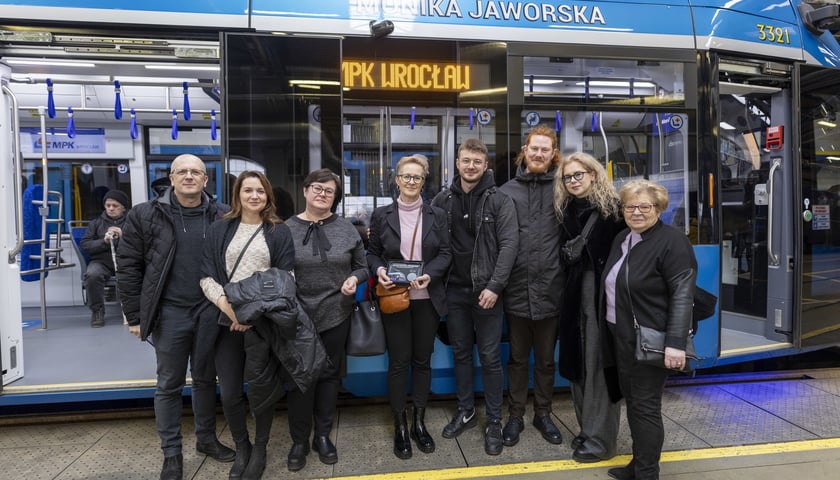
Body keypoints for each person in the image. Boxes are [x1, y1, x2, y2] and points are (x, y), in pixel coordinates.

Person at [118, 154, 233, 480]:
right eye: (182, 171)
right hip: (169, 312)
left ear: (206, 180)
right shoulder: (145, 215)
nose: (189, 176)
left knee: (205, 380)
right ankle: (171, 453)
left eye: (196, 172)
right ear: (170, 178)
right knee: (168, 383)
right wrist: (134, 315)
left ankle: (207, 440)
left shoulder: (222, 214)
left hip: (210, 310)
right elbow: (128, 266)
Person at [198, 170, 297, 480]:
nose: (254, 196)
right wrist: (232, 313)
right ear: (237, 195)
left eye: (260, 191)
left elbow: (286, 279)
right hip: (226, 320)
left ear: (268, 196)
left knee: (261, 391)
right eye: (248, 190)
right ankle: (242, 446)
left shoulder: (278, 232)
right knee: (229, 392)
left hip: (264, 324)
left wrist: (252, 315)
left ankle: (260, 449)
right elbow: (206, 276)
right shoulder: (219, 229)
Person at [602, 179, 698, 480]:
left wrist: (675, 343)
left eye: (645, 206)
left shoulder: (672, 242)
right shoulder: (623, 238)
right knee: (633, 404)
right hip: (623, 336)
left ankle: (646, 473)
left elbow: (683, 294)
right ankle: (638, 464)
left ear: (658, 208)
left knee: (645, 408)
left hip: (651, 340)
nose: (637, 212)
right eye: (630, 206)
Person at [431, 138, 518, 455]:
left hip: (487, 292)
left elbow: (509, 247)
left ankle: (494, 420)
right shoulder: (443, 200)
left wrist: (495, 287)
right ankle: (466, 411)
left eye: (477, 162)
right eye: (465, 160)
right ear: (457, 163)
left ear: (486, 166)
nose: (471, 166)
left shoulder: (500, 200)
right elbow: (431, 243)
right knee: (462, 354)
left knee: (491, 357)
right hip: (454, 291)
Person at [283, 168, 368, 470]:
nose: (322, 194)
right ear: (305, 191)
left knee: (330, 377)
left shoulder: (347, 229)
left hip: (336, 313)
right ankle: (298, 441)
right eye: (317, 188)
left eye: (329, 191)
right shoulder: (285, 229)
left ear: (335, 197)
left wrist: (354, 280)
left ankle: (322, 435)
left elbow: (363, 266)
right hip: (296, 316)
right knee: (299, 380)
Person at [367, 154, 451, 460]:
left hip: (427, 299)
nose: (411, 182)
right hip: (394, 297)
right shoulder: (381, 215)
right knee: (399, 362)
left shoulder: (437, 215)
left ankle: (419, 421)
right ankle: (400, 425)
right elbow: (373, 253)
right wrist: (379, 272)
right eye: (406, 177)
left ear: (423, 181)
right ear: (396, 179)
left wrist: (431, 274)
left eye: (417, 177)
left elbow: (445, 253)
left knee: (422, 361)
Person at [554, 152, 624, 463]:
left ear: (593, 174)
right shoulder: (564, 210)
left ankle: (602, 441)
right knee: (578, 367)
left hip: (602, 299)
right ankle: (587, 431)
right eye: (567, 177)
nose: (573, 181)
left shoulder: (615, 209)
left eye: (578, 174)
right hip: (573, 298)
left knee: (600, 368)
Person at [498, 125, 564, 447]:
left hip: (552, 289)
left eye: (545, 149)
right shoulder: (506, 192)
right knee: (518, 359)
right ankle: (515, 416)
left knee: (547, 360)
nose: (538, 154)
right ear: (524, 151)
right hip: (516, 292)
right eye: (533, 148)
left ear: (553, 155)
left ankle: (543, 414)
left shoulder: (563, 190)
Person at [80, 189, 129, 328]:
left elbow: (141, 243)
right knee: (92, 275)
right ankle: (97, 311)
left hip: (126, 260)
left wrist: (123, 236)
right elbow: (85, 245)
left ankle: (136, 310)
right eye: (108, 205)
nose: (111, 209)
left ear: (123, 208)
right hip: (102, 262)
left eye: (115, 206)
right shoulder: (95, 224)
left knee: (143, 273)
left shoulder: (132, 222)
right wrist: (104, 241)